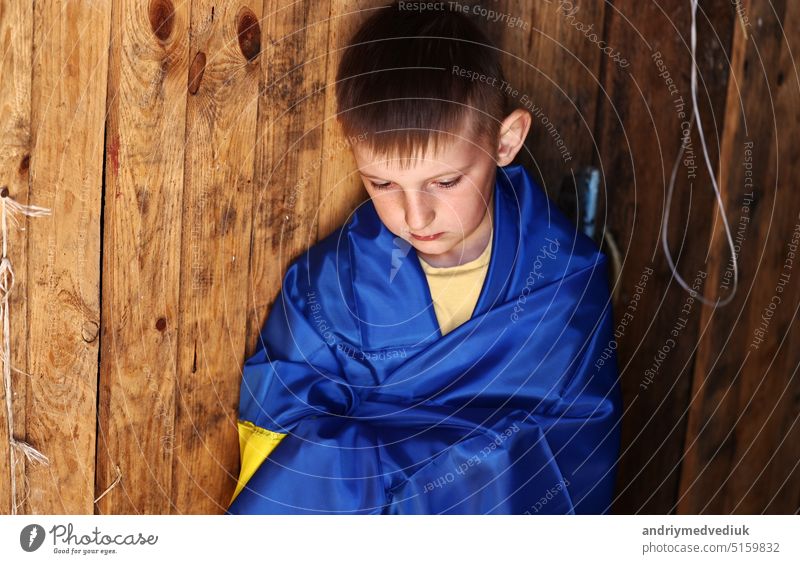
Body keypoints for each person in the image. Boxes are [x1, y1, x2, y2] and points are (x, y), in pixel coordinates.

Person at [227, 1, 622, 514]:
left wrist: (426, 480)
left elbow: (576, 442)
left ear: (505, 142)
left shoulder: (563, 277)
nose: (416, 217)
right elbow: (279, 430)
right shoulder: (327, 286)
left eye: (445, 181)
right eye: (383, 183)